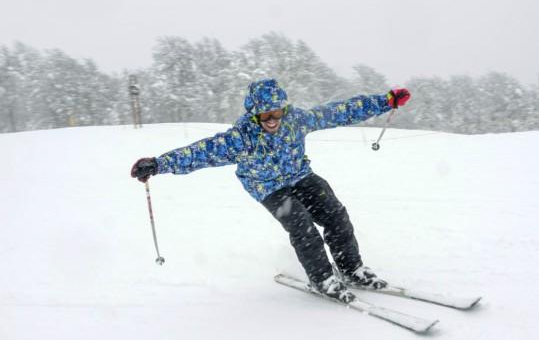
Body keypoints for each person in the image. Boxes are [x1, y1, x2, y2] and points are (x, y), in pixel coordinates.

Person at [131, 78, 411, 303]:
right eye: (266, 113)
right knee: (302, 225)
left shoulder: (296, 120)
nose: (272, 118)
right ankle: (323, 279)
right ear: (254, 113)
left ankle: (352, 270)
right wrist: (158, 164)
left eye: (277, 112)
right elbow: (199, 153)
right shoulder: (240, 139)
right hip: (268, 188)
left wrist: (385, 101)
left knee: (336, 215)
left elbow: (340, 111)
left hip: (301, 177)